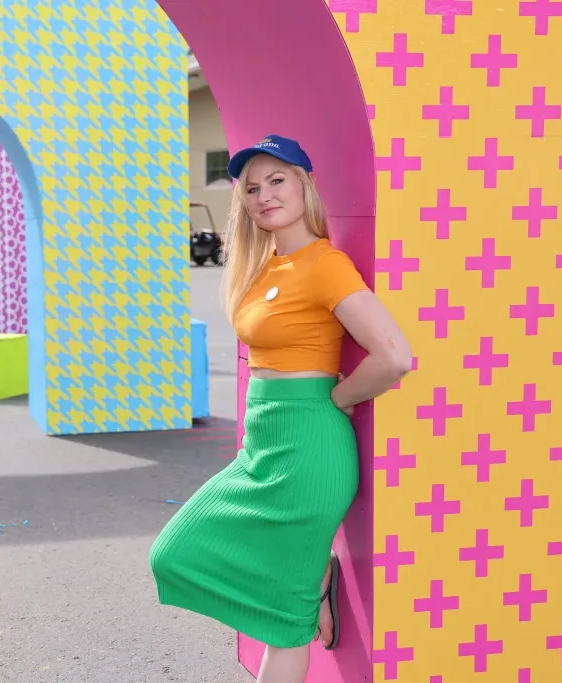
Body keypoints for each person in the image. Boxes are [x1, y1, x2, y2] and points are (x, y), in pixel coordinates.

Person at [149, 134, 412, 683]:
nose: (264, 195)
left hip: (309, 451)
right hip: (261, 448)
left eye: (277, 180)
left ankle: (304, 595)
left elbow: (394, 356)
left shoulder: (325, 264)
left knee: (283, 630)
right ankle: (310, 583)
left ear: (304, 185)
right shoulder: (264, 268)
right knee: (174, 552)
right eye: (251, 187)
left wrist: (334, 400)